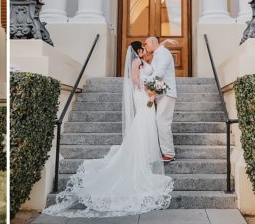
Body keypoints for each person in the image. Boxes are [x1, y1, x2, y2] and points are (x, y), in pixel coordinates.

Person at [42, 41, 172, 217]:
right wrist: (148, 88)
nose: (143, 51)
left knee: (147, 122)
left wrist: (152, 87)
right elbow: (135, 79)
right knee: (143, 121)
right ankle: (142, 154)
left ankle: (147, 153)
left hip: (147, 94)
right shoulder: (136, 63)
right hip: (141, 94)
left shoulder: (145, 62)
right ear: (137, 52)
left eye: (143, 48)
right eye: (141, 49)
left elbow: (154, 62)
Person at [144, 36, 178, 163]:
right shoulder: (159, 52)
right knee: (161, 120)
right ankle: (167, 152)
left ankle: (169, 153)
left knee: (163, 121)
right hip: (161, 92)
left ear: (152, 42)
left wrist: (145, 83)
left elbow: (160, 72)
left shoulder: (163, 53)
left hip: (167, 92)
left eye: (146, 44)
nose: (145, 47)